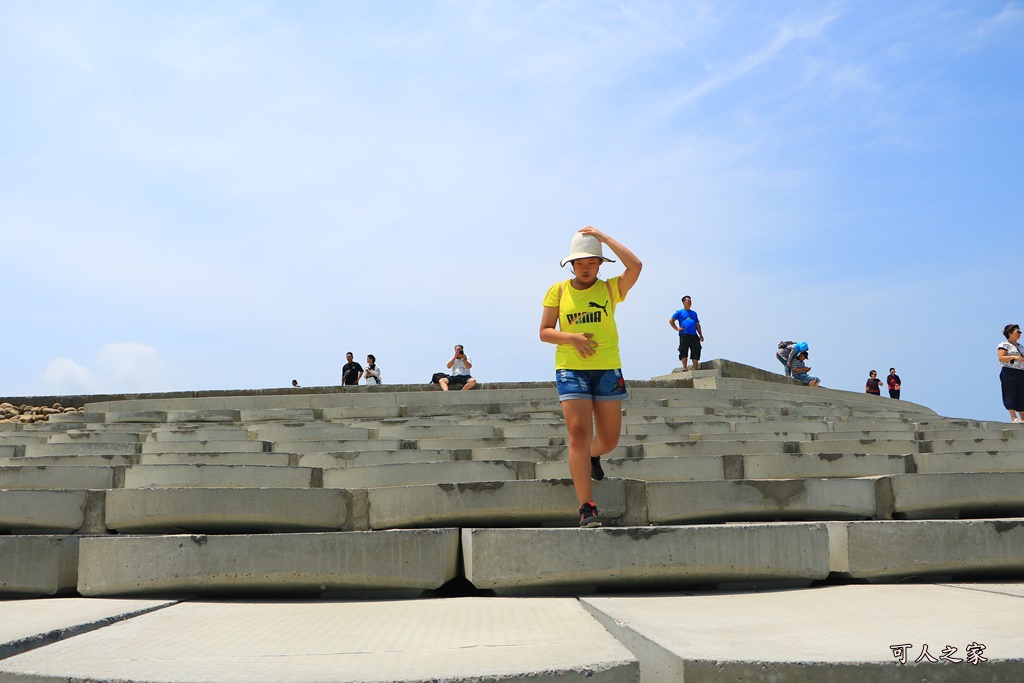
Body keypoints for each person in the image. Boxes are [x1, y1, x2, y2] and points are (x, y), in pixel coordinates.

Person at [540, 226, 641, 527]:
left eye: (592, 262)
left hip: (608, 368)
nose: (585, 267)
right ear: (571, 264)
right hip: (571, 369)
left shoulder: (611, 289)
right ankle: (587, 507)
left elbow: (635, 266)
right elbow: (545, 332)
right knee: (578, 435)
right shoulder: (558, 290)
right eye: (580, 262)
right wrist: (572, 337)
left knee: (608, 440)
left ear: (600, 264)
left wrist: (606, 238)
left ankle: (592, 457)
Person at [997, 324, 1024, 422]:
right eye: (1018, 332)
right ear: (1010, 333)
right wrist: (1014, 357)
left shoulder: (1021, 347)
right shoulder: (1004, 345)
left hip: (1021, 372)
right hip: (1009, 371)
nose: (1020, 334)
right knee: (1010, 393)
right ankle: (1013, 417)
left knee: (1021, 394)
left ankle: (1022, 418)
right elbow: (1001, 358)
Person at [669, 296, 704, 370]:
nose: (690, 302)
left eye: (690, 301)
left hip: (694, 335)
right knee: (683, 350)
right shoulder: (680, 312)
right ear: (684, 302)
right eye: (688, 301)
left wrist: (700, 334)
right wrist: (677, 328)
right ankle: (685, 367)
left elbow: (697, 324)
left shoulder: (694, 313)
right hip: (684, 334)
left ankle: (695, 367)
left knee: (696, 349)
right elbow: (671, 320)